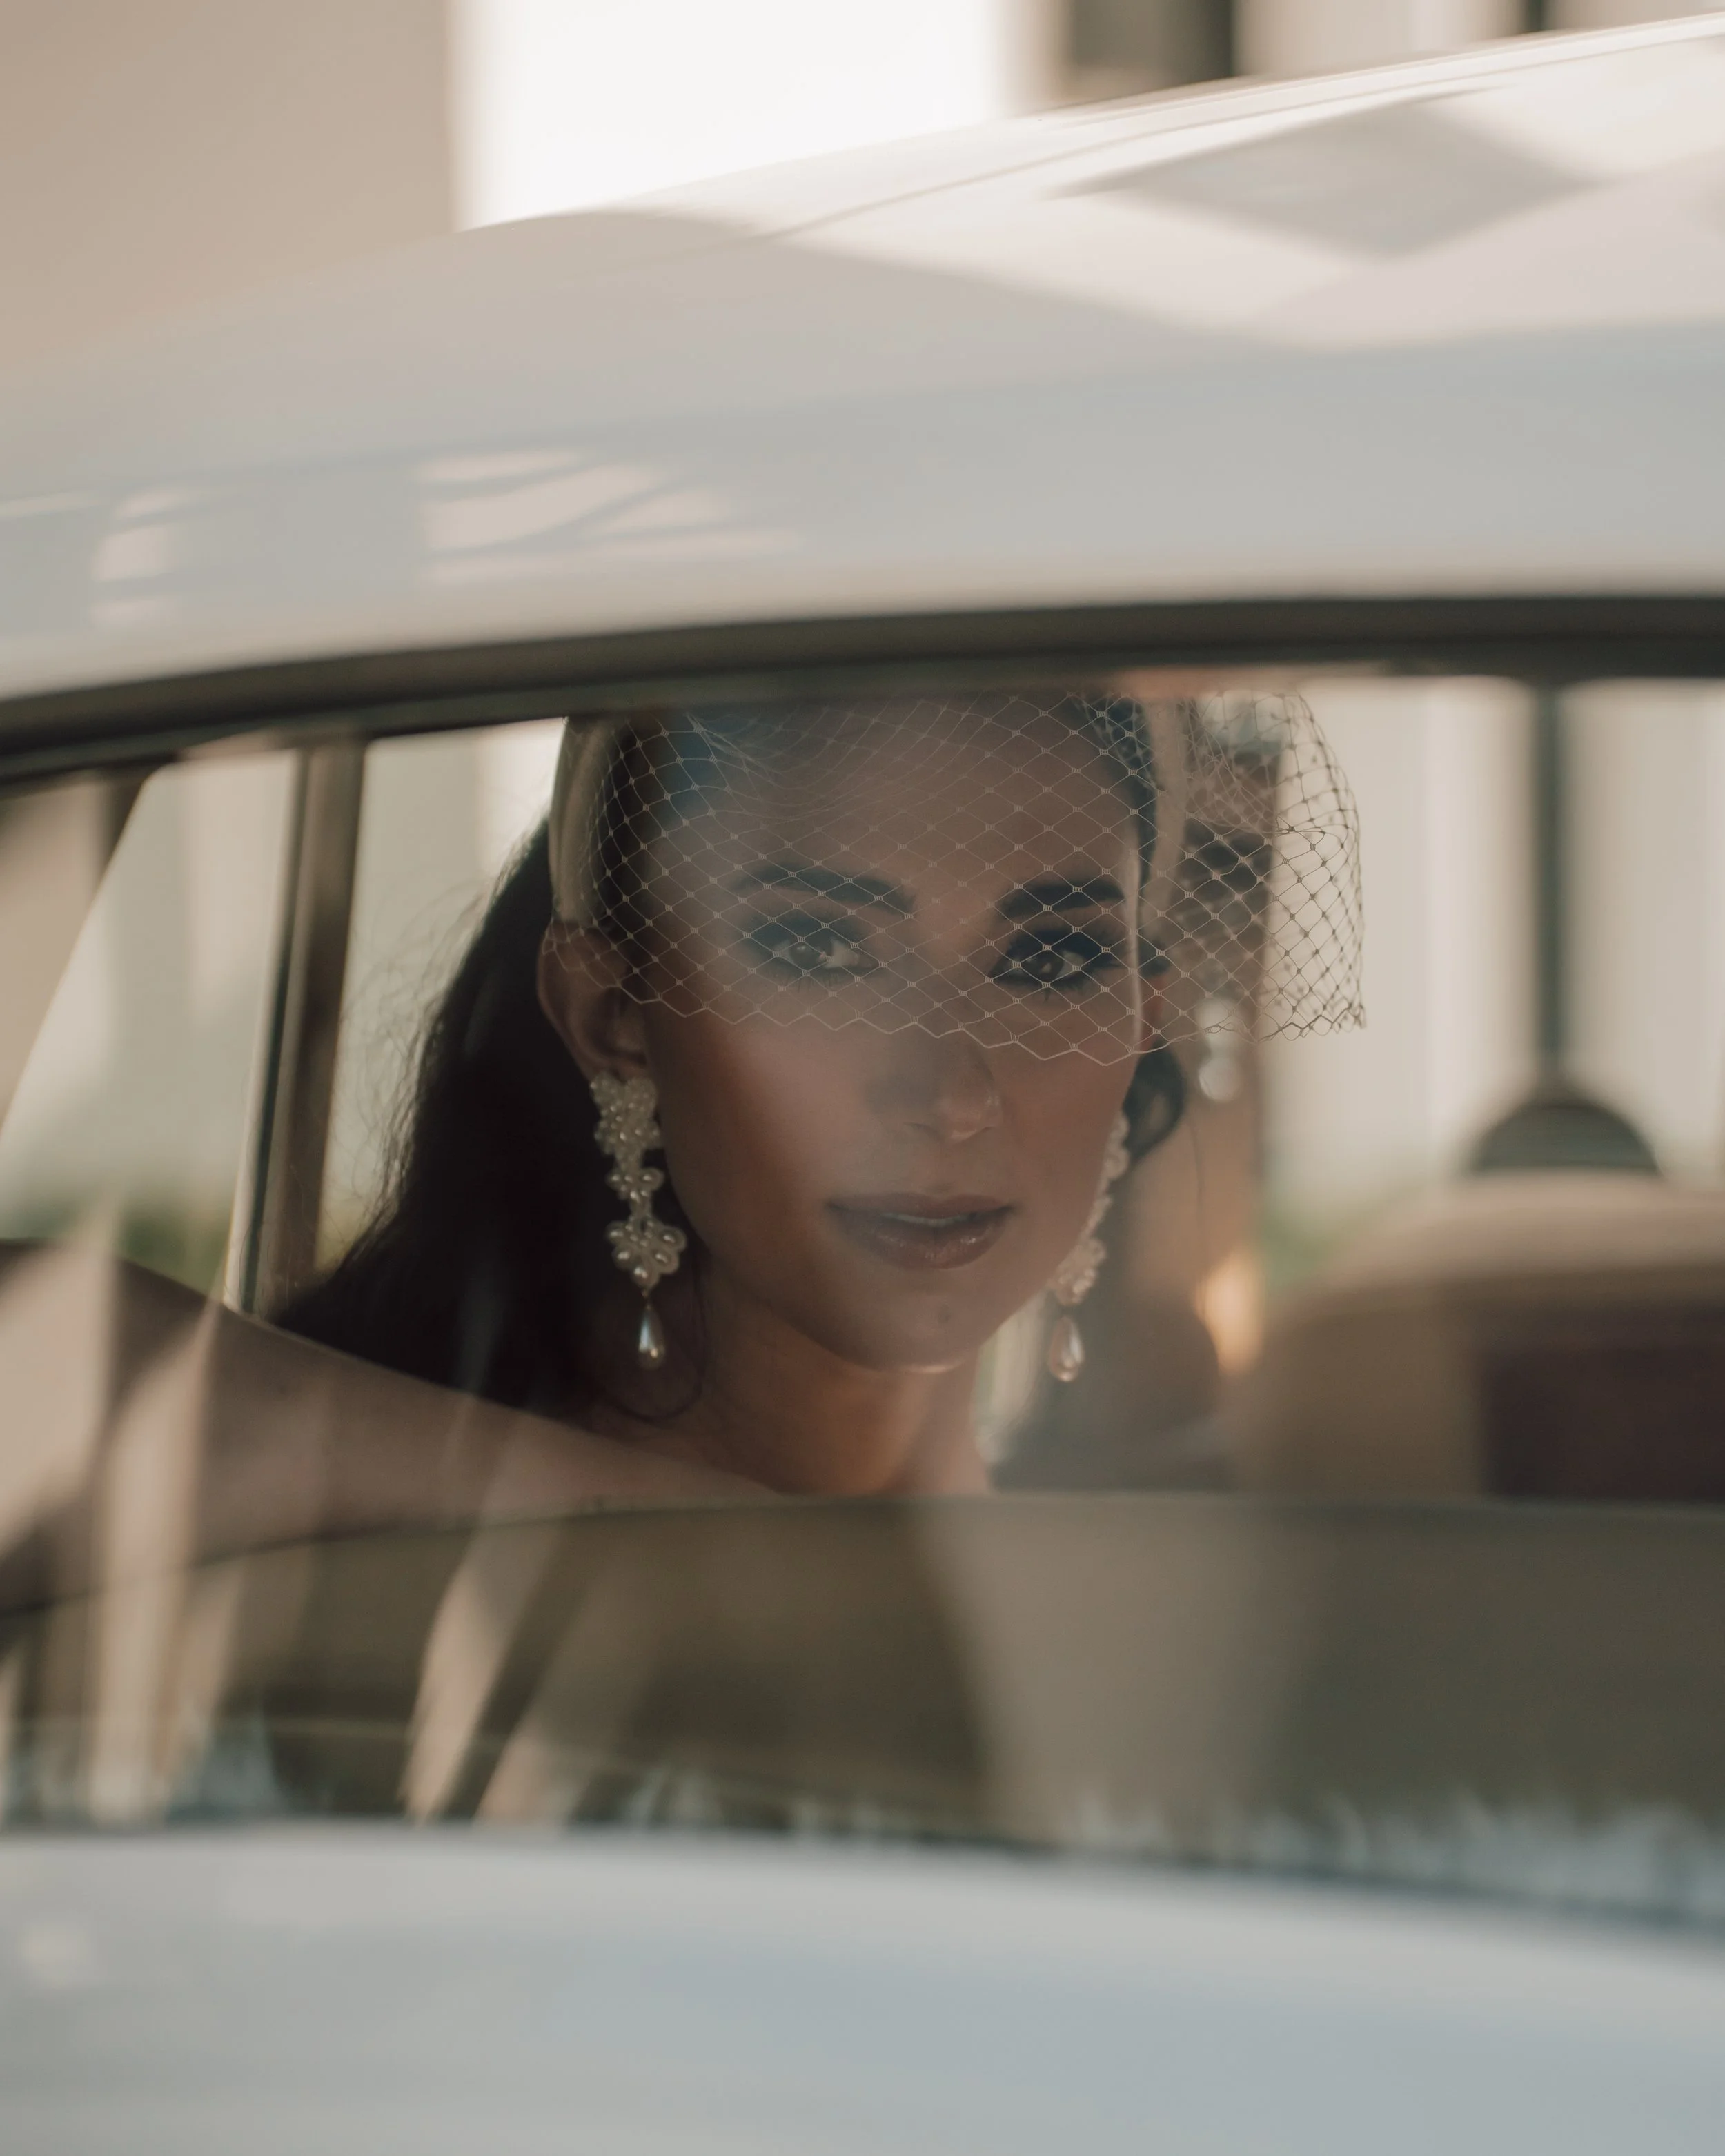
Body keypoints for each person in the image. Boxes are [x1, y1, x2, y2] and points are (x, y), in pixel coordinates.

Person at [284, 691, 1193, 1496]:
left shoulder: (1151, 1589)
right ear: (613, 1012)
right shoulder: (378, 1521)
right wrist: (609, 1509)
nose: (954, 1097)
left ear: (1145, 1017)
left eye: (1052, 959)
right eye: (820, 951)